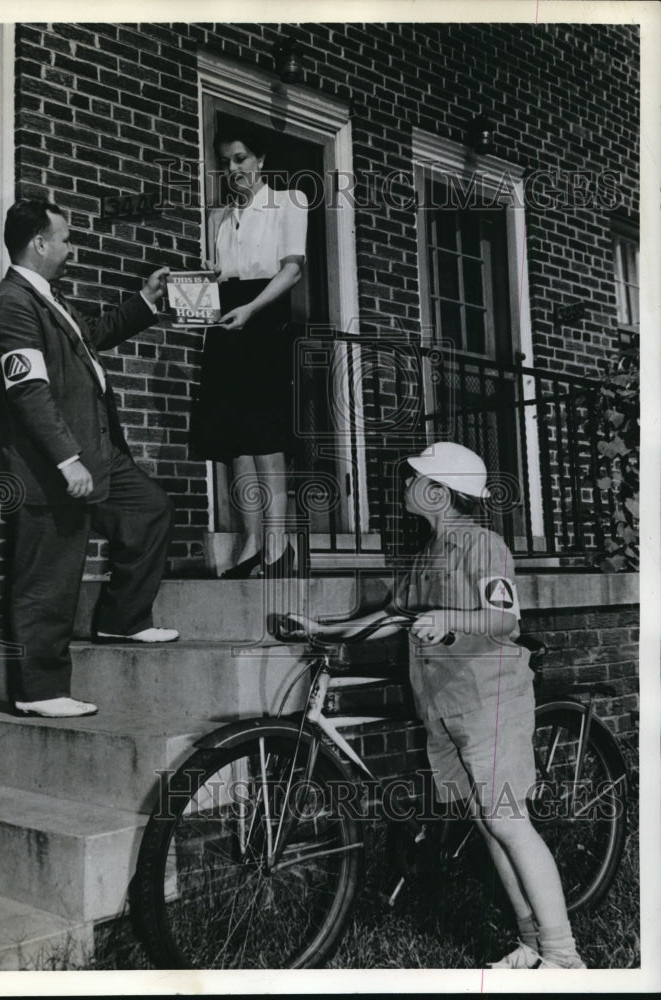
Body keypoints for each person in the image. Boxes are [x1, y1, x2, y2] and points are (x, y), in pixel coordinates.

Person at [285, 442, 585, 969]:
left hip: (488, 699)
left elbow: (504, 619)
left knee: (509, 821)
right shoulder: (428, 554)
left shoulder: (483, 545)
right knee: (489, 823)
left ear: (439, 492)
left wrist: (451, 618)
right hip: (444, 704)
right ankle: (532, 947)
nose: (404, 486)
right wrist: (323, 629)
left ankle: (564, 957)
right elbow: (391, 616)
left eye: (414, 478)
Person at [0, 198, 178, 719]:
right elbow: (27, 391)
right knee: (48, 573)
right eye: (65, 239)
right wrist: (68, 458)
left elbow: (91, 337)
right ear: (39, 243)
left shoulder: (50, 298)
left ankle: (123, 618)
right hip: (51, 463)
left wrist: (145, 299)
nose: (72, 249)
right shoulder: (13, 304)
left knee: (148, 509)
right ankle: (39, 690)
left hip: (97, 452)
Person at [191, 122, 308, 578]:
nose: (233, 169)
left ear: (260, 160)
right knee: (235, 440)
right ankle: (251, 544)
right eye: (225, 162)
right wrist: (208, 281)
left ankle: (278, 547)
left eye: (240, 158)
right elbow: (221, 278)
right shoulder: (218, 217)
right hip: (227, 321)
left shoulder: (289, 202)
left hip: (264, 321)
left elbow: (292, 271)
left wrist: (252, 310)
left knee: (266, 435)